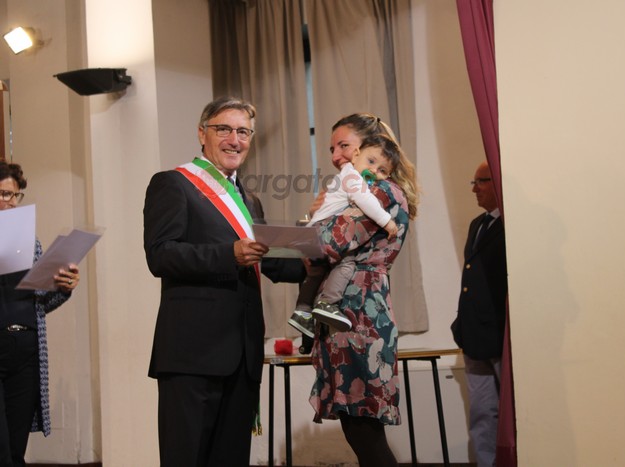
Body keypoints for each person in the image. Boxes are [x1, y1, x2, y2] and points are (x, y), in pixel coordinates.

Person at [143, 96, 304, 466]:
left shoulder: (249, 198)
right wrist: (228, 254)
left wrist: (318, 261)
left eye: (243, 132)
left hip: (243, 353)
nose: (235, 140)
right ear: (202, 134)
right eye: (224, 130)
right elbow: (161, 255)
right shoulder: (173, 184)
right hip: (192, 353)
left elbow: (268, 260)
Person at [308, 114, 419, 467]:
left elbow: (328, 242)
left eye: (345, 146)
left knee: (364, 430)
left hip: (358, 313)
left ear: (369, 146)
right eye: (332, 148)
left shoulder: (380, 191)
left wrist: (315, 217)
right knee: (359, 428)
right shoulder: (365, 190)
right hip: (353, 306)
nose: (337, 156)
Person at [0, 161, 80, 466]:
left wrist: (63, 286)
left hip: (26, 351)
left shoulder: (30, 243)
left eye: (14, 195)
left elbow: (41, 304)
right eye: (3, 194)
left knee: (16, 449)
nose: (10, 202)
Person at [287, 134, 399, 338]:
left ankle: (302, 310)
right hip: (323, 230)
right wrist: (386, 221)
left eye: (382, 170)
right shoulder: (352, 176)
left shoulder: (348, 175)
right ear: (356, 155)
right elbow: (365, 200)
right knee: (347, 262)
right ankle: (328, 303)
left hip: (312, 232)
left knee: (316, 273)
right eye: (371, 161)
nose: (374, 170)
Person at [450, 161, 507, 467]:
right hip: (474, 334)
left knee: (510, 409)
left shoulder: (510, 224)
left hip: (499, 334)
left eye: (480, 182)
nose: (474, 189)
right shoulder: (478, 224)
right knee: (482, 411)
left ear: (497, 183)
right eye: (473, 182)